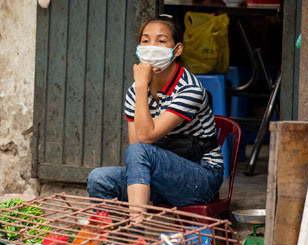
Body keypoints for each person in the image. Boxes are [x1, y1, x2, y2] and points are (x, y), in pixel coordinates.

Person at [86, 15, 224, 212]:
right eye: (145, 40)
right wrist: (141, 88)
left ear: (177, 50)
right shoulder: (135, 90)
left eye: (161, 41)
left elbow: (146, 137)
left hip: (201, 178)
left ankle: (136, 232)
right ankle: (115, 240)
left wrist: (142, 85)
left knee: (139, 151)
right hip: (160, 178)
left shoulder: (189, 89)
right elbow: (137, 145)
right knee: (98, 179)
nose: (152, 46)